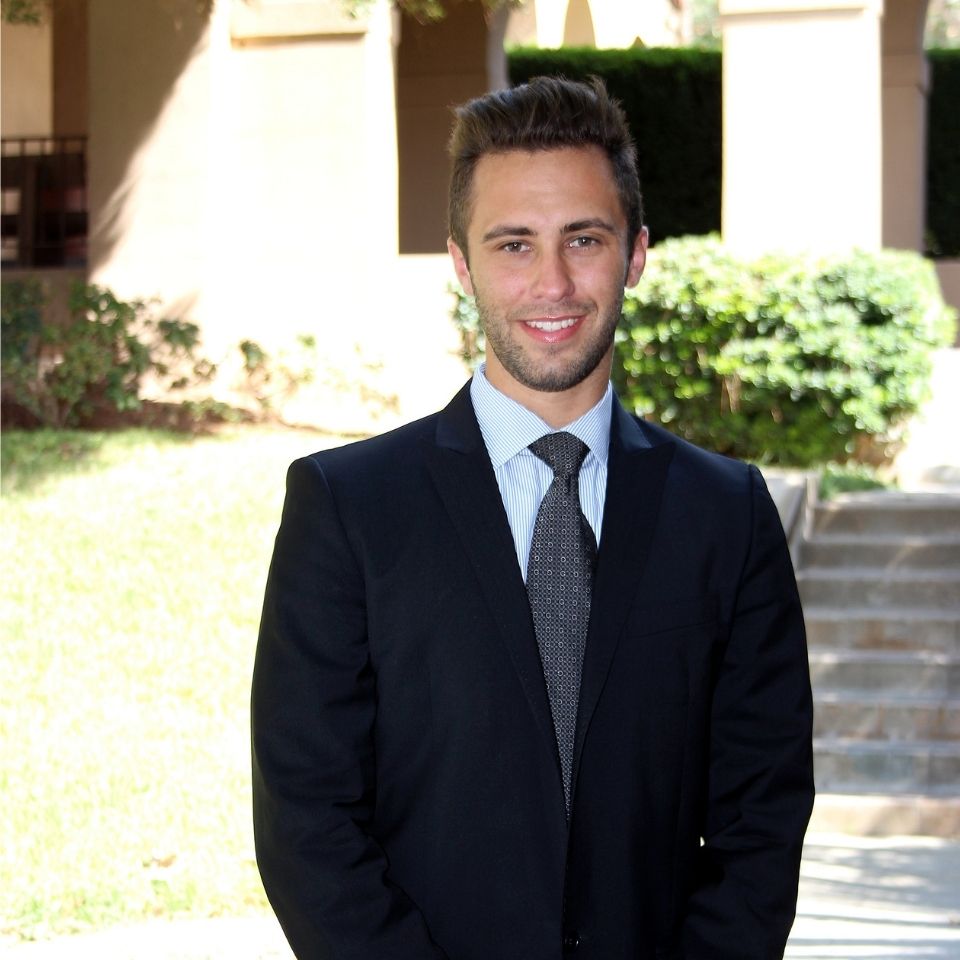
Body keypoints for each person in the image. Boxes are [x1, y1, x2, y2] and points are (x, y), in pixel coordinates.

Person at [251, 75, 814, 960]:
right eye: (513, 244)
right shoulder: (348, 506)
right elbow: (307, 818)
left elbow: (762, 817)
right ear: (462, 265)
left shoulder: (727, 514)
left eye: (583, 239)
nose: (552, 283)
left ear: (634, 255)